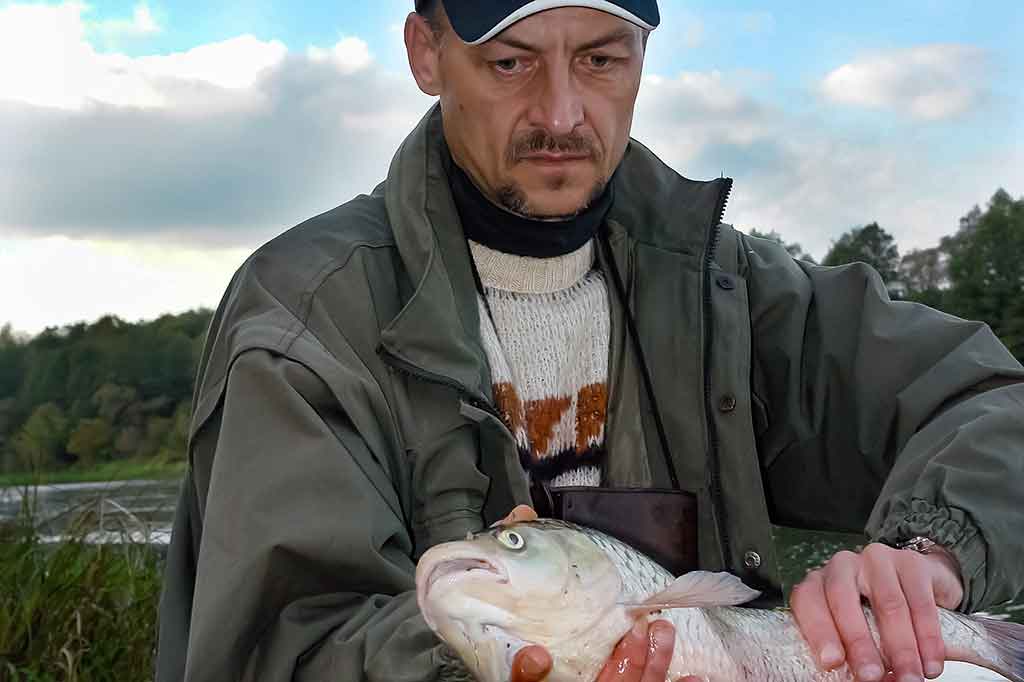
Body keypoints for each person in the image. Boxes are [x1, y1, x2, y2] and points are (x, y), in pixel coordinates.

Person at [155, 1, 1024, 681]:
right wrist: (507, 663)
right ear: (426, 53)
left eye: (601, 59)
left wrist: (931, 553)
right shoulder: (304, 317)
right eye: (511, 61)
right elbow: (280, 643)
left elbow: (990, 400)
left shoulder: (729, 285)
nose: (562, 113)